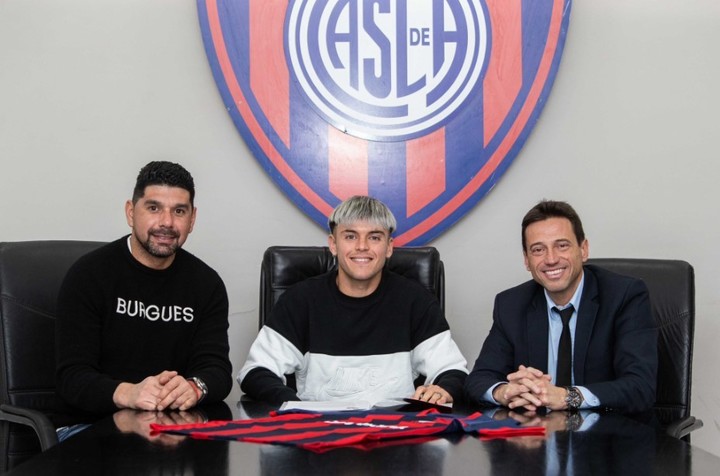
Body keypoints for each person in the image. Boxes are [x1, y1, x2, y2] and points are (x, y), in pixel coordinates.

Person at [238, 195, 468, 406]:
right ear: (333, 244)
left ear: (389, 247)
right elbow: (256, 370)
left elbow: (452, 370)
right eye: (350, 236)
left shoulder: (416, 301)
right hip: (317, 434)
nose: (362, 246)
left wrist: (443, 389)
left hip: (396, 434)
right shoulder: (300, 300)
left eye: (375, 237)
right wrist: (295, 405)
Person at [56, 161, 232, 419]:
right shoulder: (89, 275)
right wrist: (130, 393)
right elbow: (71, 377)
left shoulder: (207, 285)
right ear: (130, 212)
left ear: (192, 219)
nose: (167, 222)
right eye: (153, 208)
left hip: (172, 429)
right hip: (91, 429)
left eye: (179, 211)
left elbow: (216, 370)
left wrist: (194, 387)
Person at [465, 200, 657, 414]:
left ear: (583, 250)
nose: (551, 259)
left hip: (612, 438)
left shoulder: (624, 296)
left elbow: (640, 387)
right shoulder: (511, 304)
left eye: (562, 245)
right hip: (539, 439)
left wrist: (567, 396)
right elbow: (478, 380)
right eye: (538, 250)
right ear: (527, 261)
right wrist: (506, 391)